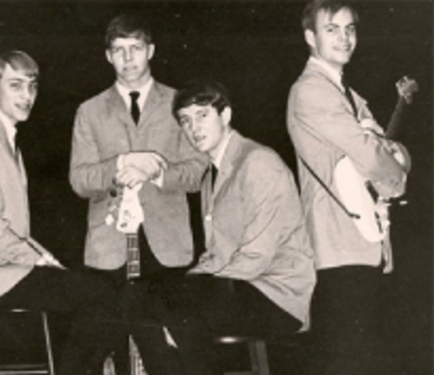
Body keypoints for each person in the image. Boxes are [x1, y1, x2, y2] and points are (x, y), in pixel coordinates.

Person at [0, 50, 116, 375]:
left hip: (1, 268)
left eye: (32, 86)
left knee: (93, 292)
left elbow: (12, 231)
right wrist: (41, 260)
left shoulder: (2, 135)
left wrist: (47, 259)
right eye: (15, 85)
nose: (27, 96)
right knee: (100, 296)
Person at [123, 79, 315, 375]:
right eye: (185, 121)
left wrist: (189, 291)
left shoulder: (258, 162)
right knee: (137, 297)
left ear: (225, 116)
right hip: (236, 288)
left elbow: (256, 257)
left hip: (275, 295)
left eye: (202, 115)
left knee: (172, 304)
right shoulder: (210, 177)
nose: (193, 128)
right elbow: (214, 256)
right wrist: (190, 284)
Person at [69, 13, 208, 375]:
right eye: (119, 50)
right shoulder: (89, 111)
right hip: (109, 251)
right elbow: (79, 180)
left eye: (135, 49)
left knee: (173, 355)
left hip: (167, 248)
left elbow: (197, 171)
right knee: (88, 353)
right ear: (107, 56)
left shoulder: (179, 103)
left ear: (151, 51)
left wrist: (157, 170)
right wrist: (122, 165)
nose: (128, 59)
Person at [286, 0, 411, 373]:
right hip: (336, 247)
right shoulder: (311, 91)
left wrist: (392, 155)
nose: (344, 37)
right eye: (332, 29)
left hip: (362, 244)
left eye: (349, 29)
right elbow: (371, 156)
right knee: (348, 359)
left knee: (362, 356)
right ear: (310, 37)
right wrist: (396, 175)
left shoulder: (350, 96)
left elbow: (391, 151)